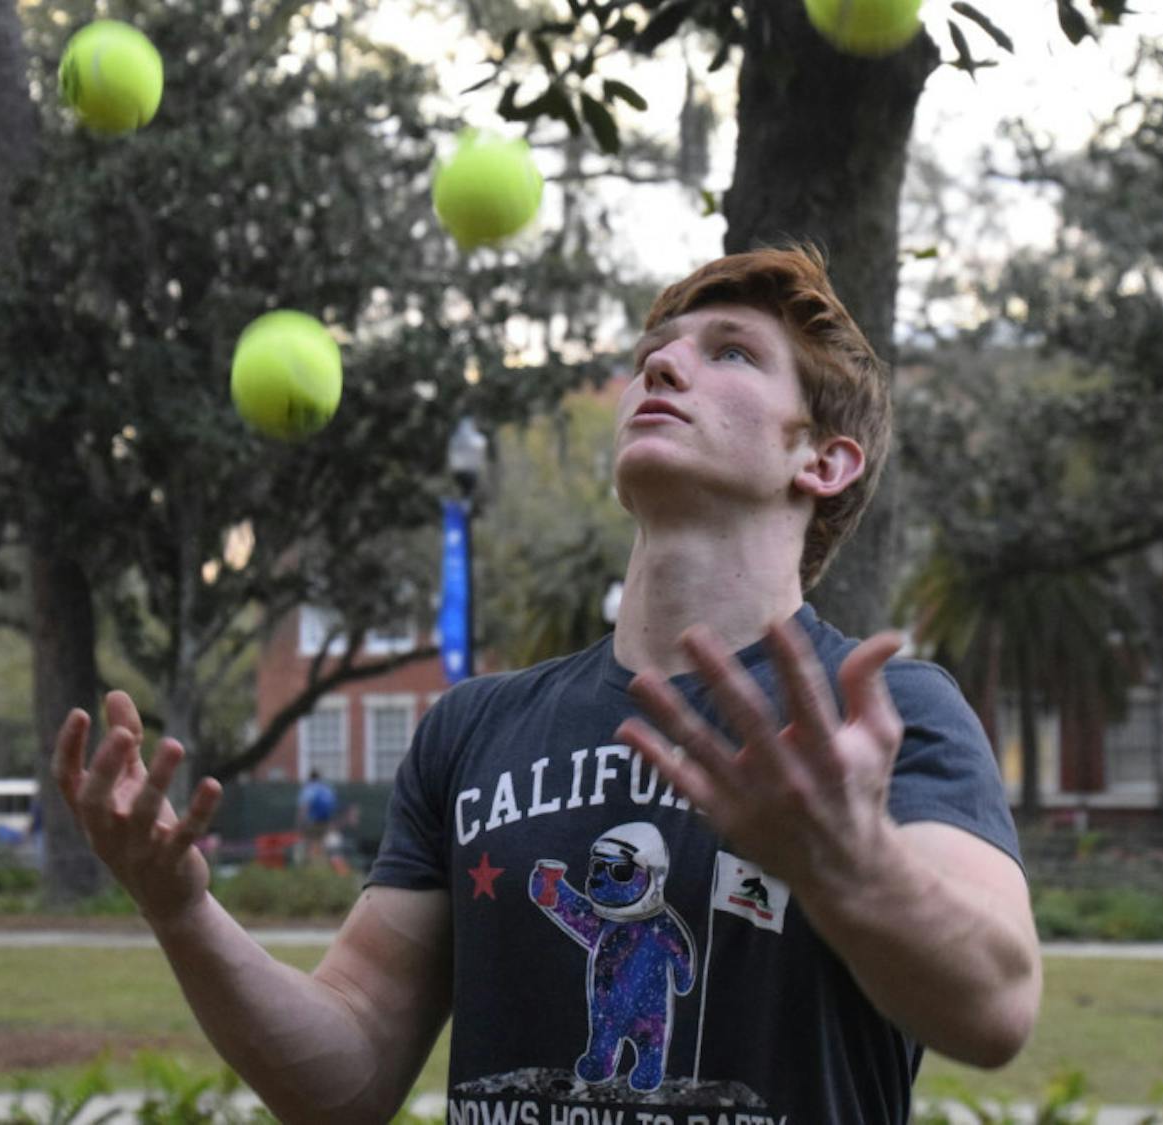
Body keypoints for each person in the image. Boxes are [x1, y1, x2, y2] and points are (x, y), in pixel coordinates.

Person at [53, 245, 1041, 1123]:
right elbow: (342, 1077)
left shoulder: (889, 713)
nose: (662, 363)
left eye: (731, 351)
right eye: (663, 346)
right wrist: (182, 912)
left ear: (824, 459)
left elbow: (997, 1008)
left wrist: (844, 865)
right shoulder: (474, 730)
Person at [295, 769, 338, 867]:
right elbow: (333, 805)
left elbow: (304, 806)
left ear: (310, 777)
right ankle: (322, 865)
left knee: (311, 843)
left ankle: (313, 867)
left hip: (312, 821)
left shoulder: (309, 788)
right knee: (321, 843)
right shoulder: (327, 789)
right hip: (325, 821)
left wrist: (299, 821)